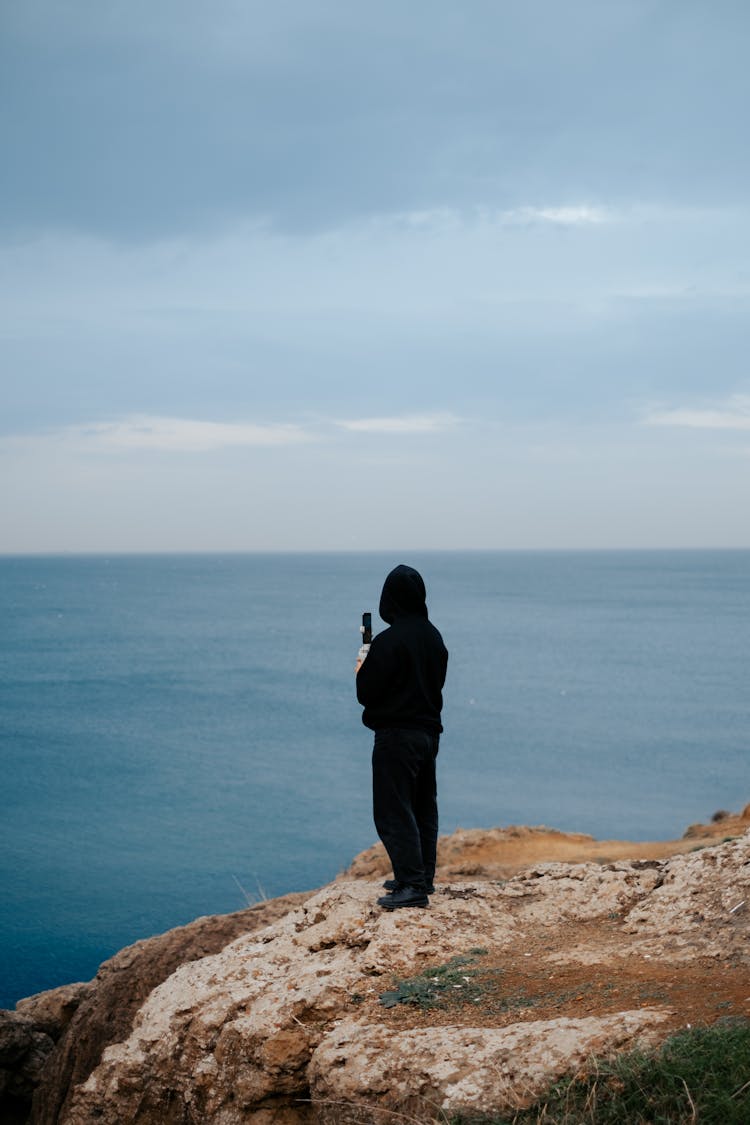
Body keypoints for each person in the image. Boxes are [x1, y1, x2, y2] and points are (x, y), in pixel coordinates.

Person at [355, 564, 448, 910]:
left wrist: (362, 667)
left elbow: (366, 693)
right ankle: (422, 876)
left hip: (396, 735)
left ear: (389, 599)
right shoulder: (433, 637)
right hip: (428, 734)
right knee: (423, 805)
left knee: (394, 809)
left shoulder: (388, 641)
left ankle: (411, 885)